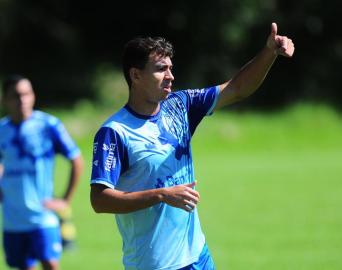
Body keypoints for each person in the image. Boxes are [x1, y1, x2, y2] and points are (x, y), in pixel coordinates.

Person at [90, 22, 294, 270]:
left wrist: (269, 52)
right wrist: (162, 195)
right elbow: (100, 201)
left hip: (198, 256)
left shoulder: (180, 106)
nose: (170, 76)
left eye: (171, 68)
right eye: (160, 69)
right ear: (135, 75)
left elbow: (237, 88)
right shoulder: (114, 132)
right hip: (155, 264)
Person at [0, 75, 83, 270]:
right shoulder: (2, 130)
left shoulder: (48, 125)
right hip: (13, 218)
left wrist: (65, 201)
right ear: (5, 100)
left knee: (50, 264)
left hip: (42, 215)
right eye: (16, 95)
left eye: (26, 94)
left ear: (33, 96)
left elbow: (76, 160)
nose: (22, 100)